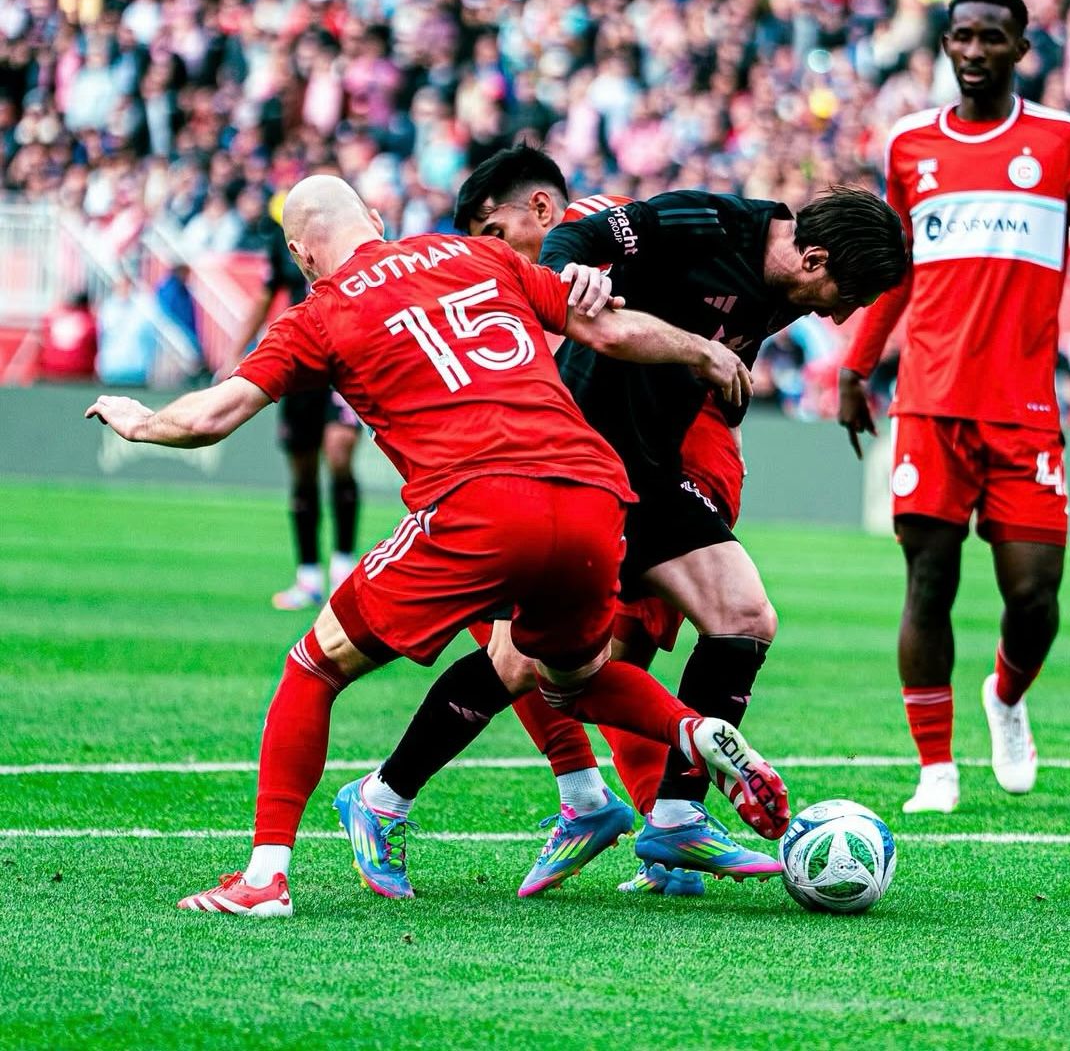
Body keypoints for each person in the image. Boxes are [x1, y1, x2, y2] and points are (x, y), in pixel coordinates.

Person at [85, 174, 790, 916]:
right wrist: (704, 354)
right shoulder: (476, 257)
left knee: (314, 667)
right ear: (378, 219)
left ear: (300, 253)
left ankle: (265, 878)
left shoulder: (319, 313)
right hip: (593, 492)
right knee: (575, 678)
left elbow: (213, 416)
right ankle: (695, 728)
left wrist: (143, 421)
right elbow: (611, 329)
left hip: (477, 502)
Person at [359, 147, 909, 898]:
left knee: (745, 615)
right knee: (520, 663)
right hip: (579, 457)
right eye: (846, 295)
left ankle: (677, 815)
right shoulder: (706, 222)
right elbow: (581, 237)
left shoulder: (789, 281)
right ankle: (381, 797)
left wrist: (721, 381)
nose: (841, 314)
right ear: (813, 257)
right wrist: (570, 276)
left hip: (649, 472)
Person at [837, 0, 1070, 814]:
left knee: (1034, 595)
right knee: (927, 585)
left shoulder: (1063, 142)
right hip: (930, 403)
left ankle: (1004, 698)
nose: (973, 52)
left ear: (1021, 48)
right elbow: (892, 272)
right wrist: (855, 367)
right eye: (960, 37)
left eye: (990, 39)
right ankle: (936, 770)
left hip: (1024, 409)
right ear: (945, 44)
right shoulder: (908, 147)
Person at [223, 194, 362, 610]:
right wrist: (235, 356)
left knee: (339, 456)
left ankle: (343, 565)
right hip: (300, 369)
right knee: (302, 475)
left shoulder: (345, 243)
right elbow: (265, 299)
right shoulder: (284, 251)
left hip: (341, 367)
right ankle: (307, 575)